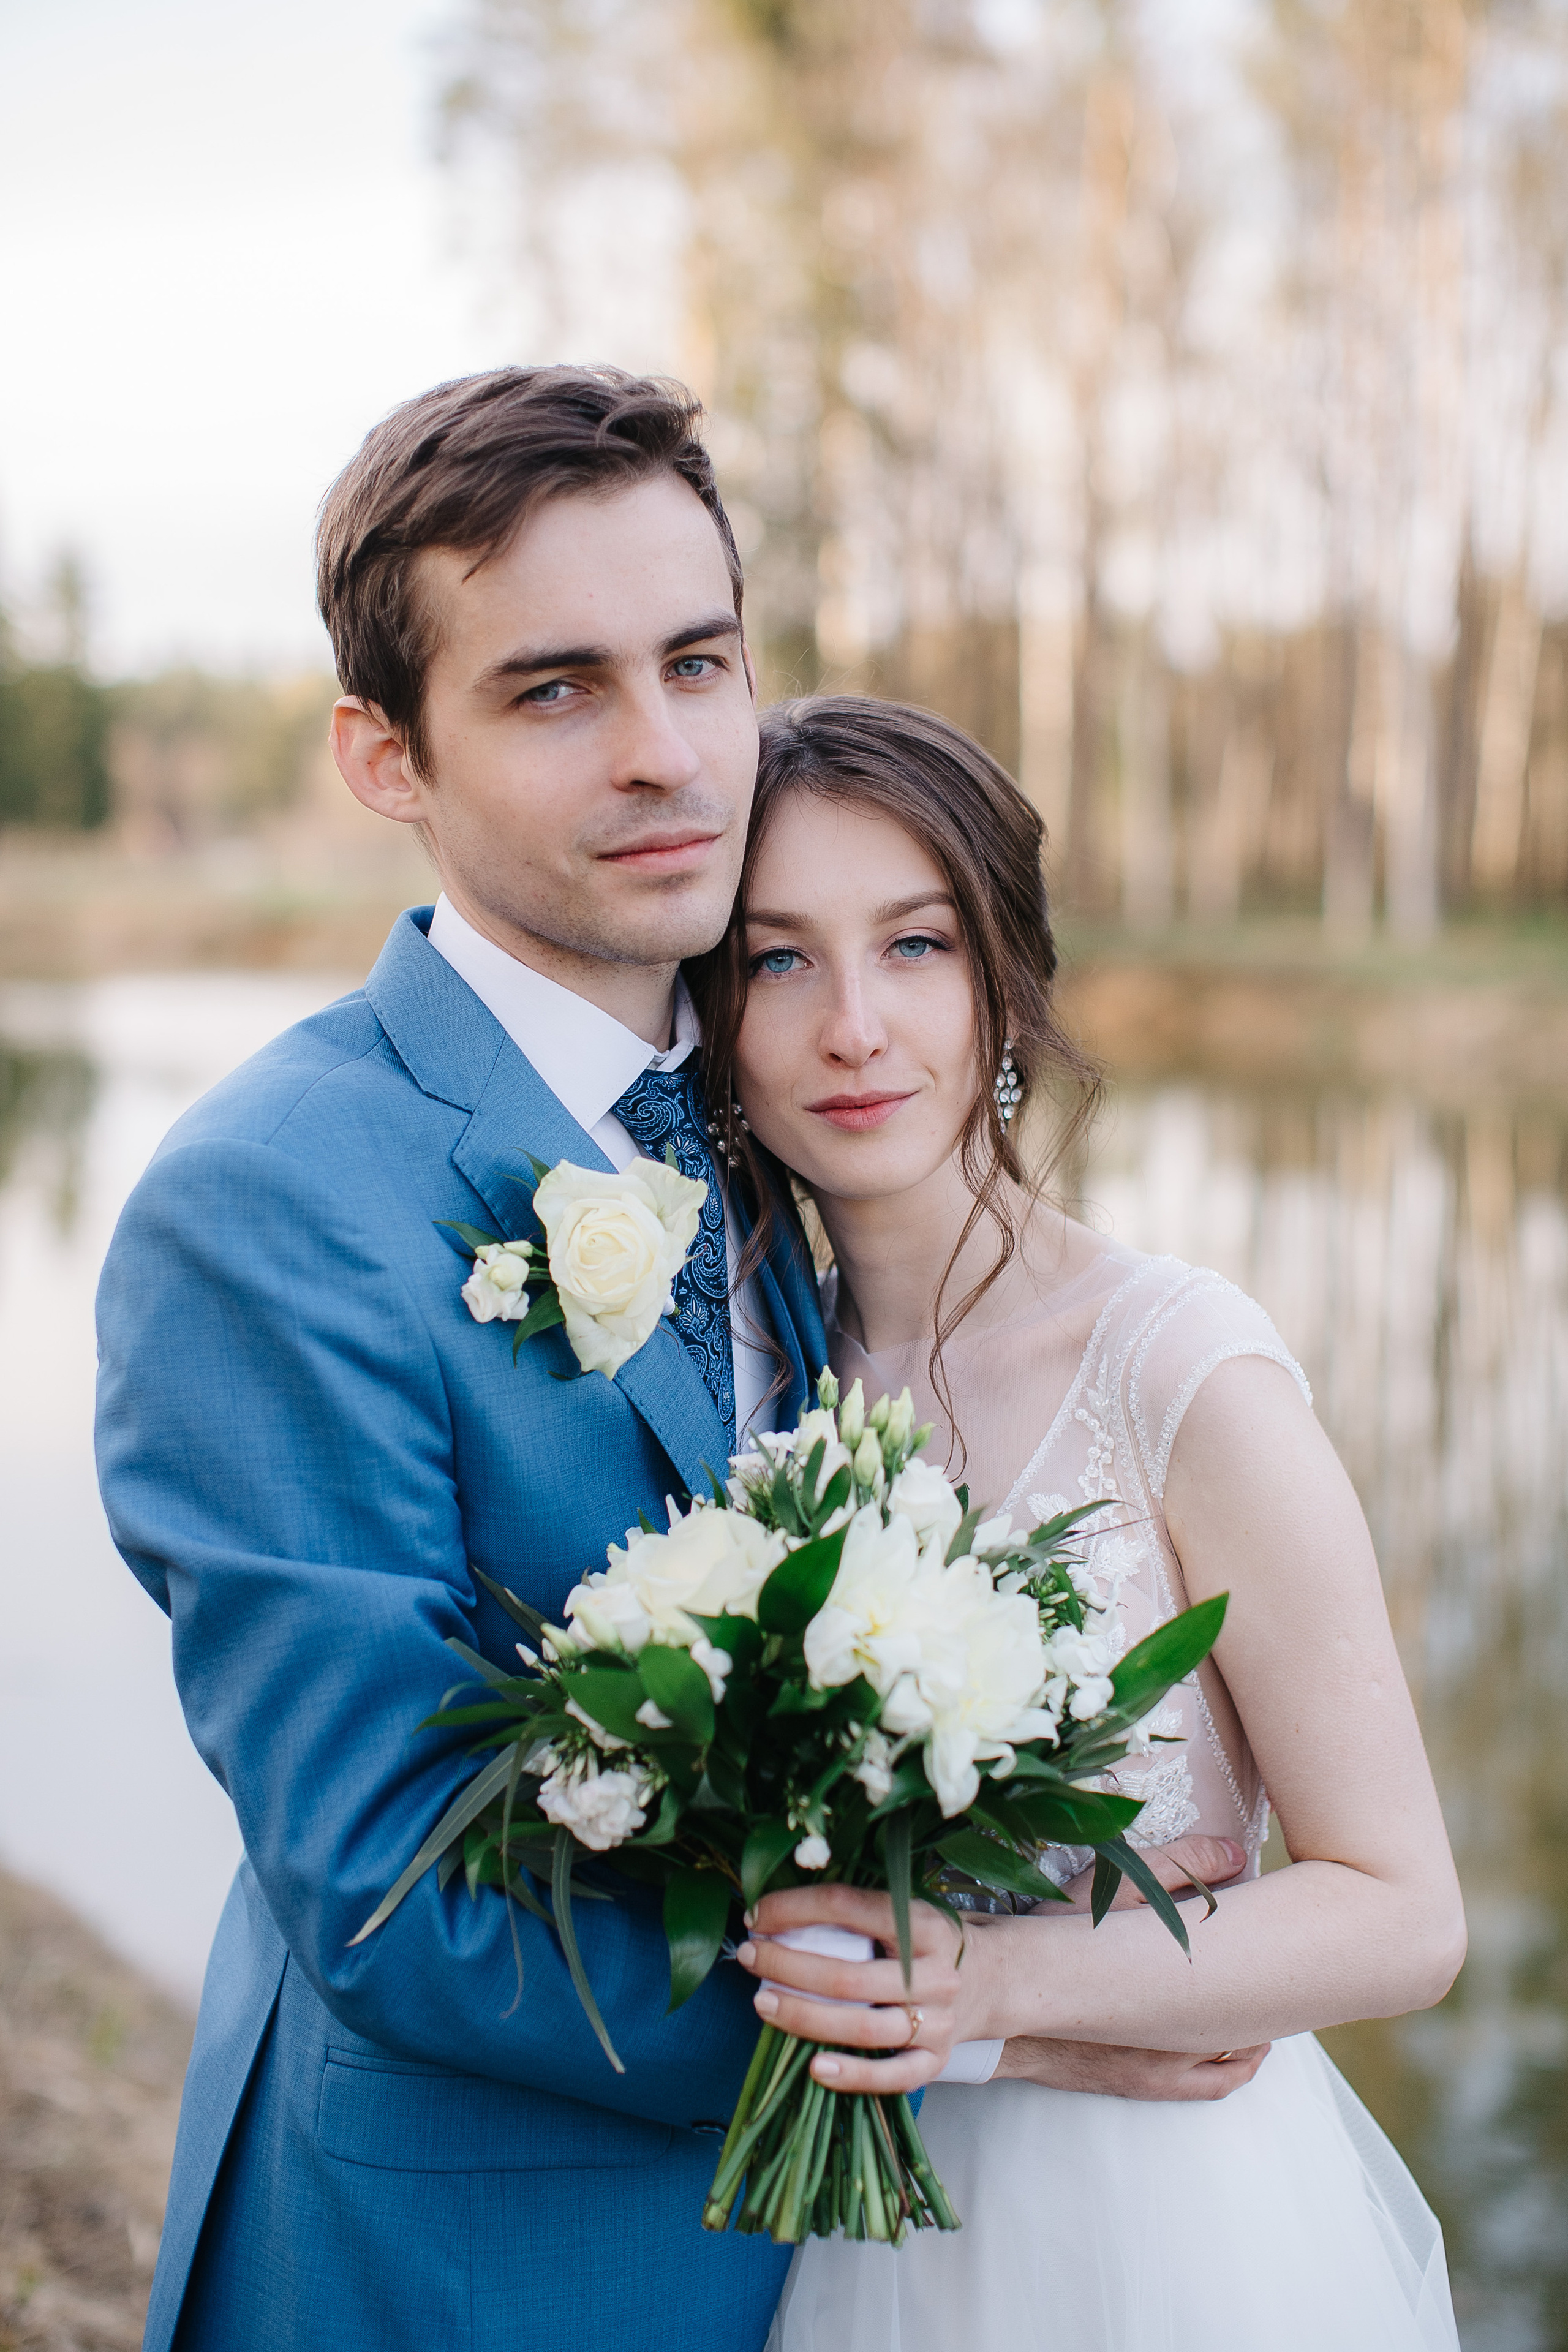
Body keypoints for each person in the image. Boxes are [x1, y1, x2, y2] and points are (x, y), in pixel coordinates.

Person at [95, 371, 1245, 2352]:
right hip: (462, 2280)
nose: (667, 755)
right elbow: (394, 1897)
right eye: (555, 691)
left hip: (840, 2275)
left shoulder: (771, 1108)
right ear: (386, 757)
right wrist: (982, 2031)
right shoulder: (270, 1204)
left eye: (698, 662)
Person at [682, 694, 1467, 2351]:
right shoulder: (751, 1388)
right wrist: (987, 2036)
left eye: (915, 946)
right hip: (859, 2233)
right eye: (778, 961)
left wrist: (994, 1991)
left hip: (1165, 2240)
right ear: (716, 1022)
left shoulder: (1183, 1370)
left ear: (1007, 983)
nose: (853, 1027)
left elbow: (1402, 1909)